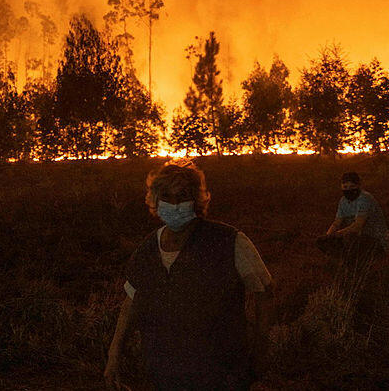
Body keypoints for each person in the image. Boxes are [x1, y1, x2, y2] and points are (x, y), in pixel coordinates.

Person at [104, 160, 274, 391]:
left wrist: (260, 349)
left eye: (182, 196)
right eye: (167, 196)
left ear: (196, 200)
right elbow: (131, 303)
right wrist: (113, 357)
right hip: (164, 374)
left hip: (222, 375)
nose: (174, 205)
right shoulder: (148, 249)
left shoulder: (228, 241)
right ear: (155, 200)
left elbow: (264, 291)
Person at [318, 172, 388, 258]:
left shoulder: (364, 199)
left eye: (352, 187)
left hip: (374, 239)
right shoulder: (343, 201)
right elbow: (337, 222)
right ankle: (341, 260)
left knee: (349, 237)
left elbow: (357, 226)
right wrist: (328, 236)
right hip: (356, 237)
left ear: (358, 186)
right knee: (321, 241)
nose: (348, 190)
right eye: (345, 187)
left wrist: (337, 234)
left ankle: (357, 261)